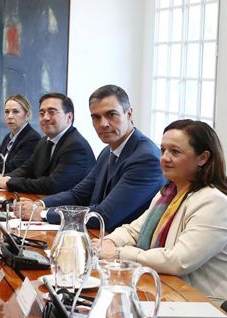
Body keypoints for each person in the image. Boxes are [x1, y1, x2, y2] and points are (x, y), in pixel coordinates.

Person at [100, 120, 227, 300]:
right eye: (163, 150)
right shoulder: (168, 192)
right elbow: (133, 230)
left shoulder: (214, 201)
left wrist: (119, 253)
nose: (165, 158)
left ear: (203, 158)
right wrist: (109, 242)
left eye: (175, 151)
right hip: (164, 289)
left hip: (201, 303)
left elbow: (178, 261)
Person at [16, 85, 165, 232]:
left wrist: (43, 214)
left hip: (121, 242)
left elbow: (105, 216)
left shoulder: (146, 159)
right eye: (96, 117)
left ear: (129, 114)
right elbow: (78, 194)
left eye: (111, 114)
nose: (103, 124)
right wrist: (40, 204)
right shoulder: (107, 151)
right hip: (99, 235)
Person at [0, 93, 95, 194]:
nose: (45, 117)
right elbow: (27, 169)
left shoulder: (75, 146)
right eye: (42, 113)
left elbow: (53, 185)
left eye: (52, 112)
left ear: (69, 117)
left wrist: (9, 183)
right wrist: (2, 180)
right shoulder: (44, 142)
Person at [0, 94, 41, 174]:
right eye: (7, 112)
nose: (10, 116)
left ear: (27, 115)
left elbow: (12, 167)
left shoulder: (32, 138)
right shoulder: (8, 137)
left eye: (15, 112)